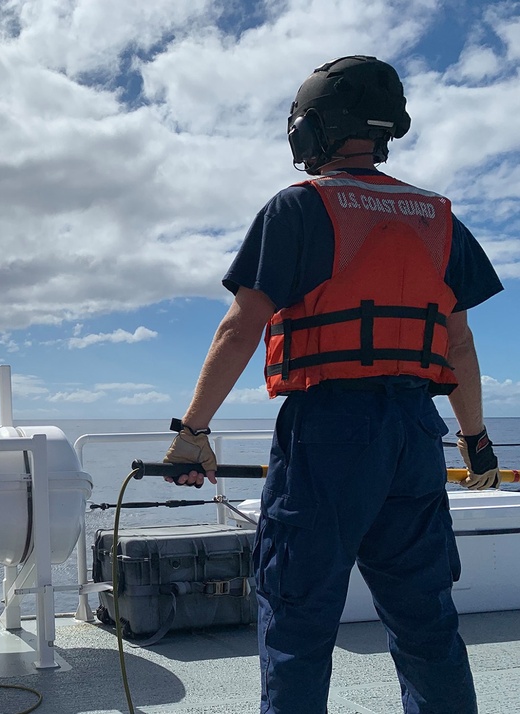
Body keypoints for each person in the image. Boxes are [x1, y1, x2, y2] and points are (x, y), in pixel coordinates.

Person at [163, 56, 502, 713]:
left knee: (298, 613)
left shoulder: (300, 208)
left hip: (328, 430)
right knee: (425, 616)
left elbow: (239, 331)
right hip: (415, 435)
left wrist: (192, 435)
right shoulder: (439, 219)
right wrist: (477, 442)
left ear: (312, 129)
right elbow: (457, 343)